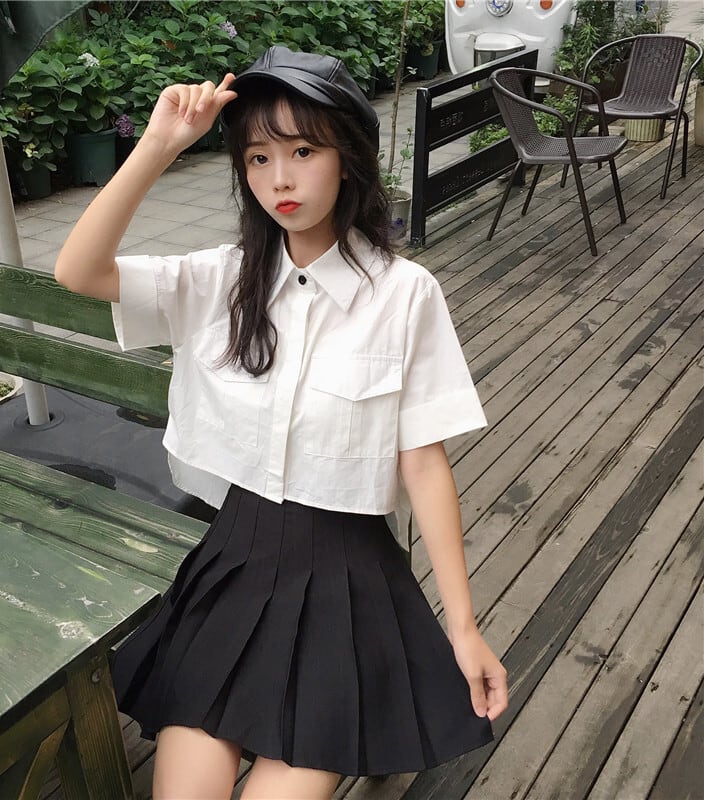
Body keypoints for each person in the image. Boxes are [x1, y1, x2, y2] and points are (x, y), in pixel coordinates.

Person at [55, 45, 508, 800]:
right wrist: (159, 145)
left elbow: (423, 462)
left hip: (346, 579)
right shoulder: (222, 279)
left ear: (348, 158)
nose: (280, 180)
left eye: (303, 151)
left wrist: (463, 628)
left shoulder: (403, 295)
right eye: (258, 158)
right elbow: (78, 270)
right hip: (236, 558)